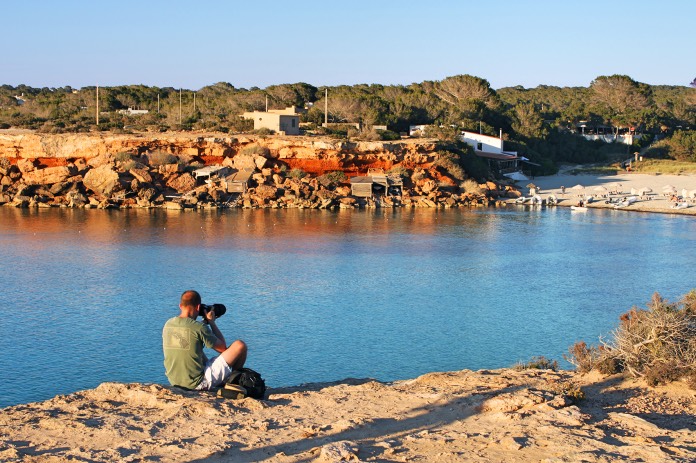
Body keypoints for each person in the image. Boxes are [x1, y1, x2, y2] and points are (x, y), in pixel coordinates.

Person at [163, 290, 247, 390]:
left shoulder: (168, 324)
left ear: (180, 306)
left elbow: (190, 329)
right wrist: (212, 323)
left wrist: (203, 323)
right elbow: (222, 348)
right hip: (197, 384)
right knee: (240, 345)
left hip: (175, 381)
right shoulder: (199, 328)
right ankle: (234, 382)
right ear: (198, 307)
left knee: (192, 346)